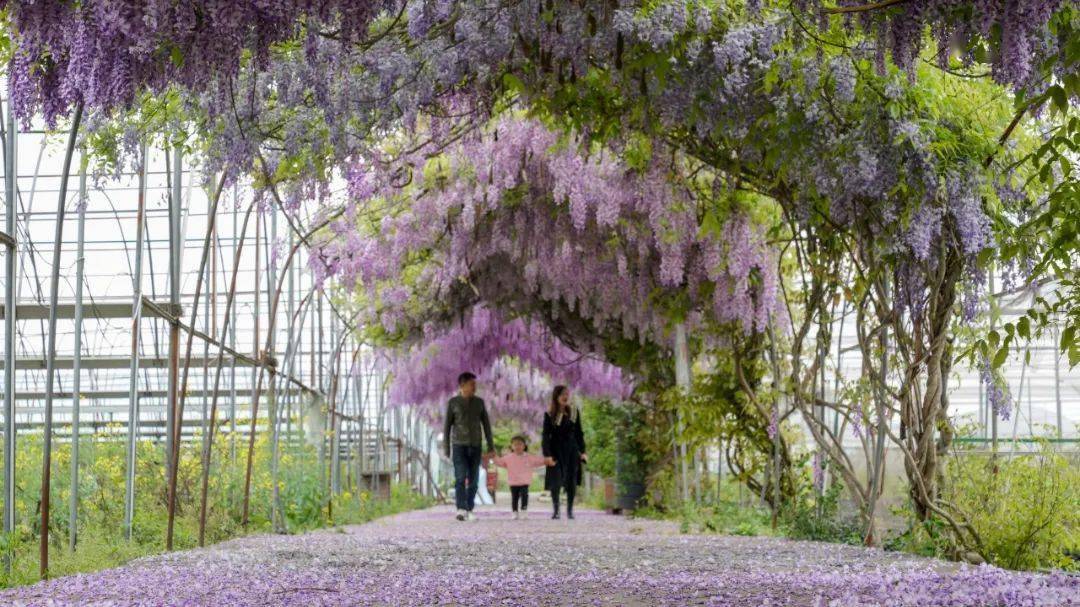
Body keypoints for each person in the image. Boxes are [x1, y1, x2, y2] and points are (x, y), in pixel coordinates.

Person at [444, 372, 495, 521]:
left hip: (475, 445)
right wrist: (447, 448)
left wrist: (491, 446)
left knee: (474, 480)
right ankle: (461, 508)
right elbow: (447, 427)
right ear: (462, 385)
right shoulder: (453, 402)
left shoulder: (479, 402)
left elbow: (486, 425)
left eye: (475, 384)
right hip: (459, 445)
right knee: (460, 477)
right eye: (472, 384)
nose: (474, 387)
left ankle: (469, 508)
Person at [542, 385, 587, 520]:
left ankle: (570, 510)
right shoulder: (549, 414)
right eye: (562, 394)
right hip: (556, 450)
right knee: (556, 481)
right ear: (556, 397)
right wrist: (547, 454)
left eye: (567, 394)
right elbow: (545, 435)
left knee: (571, 480)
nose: (565, 397)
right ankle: (556, 510)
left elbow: (579, 433)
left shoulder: (574, 412)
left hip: (572, 450)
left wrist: (583, 451)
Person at [491, 435, 553, 520]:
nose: (518, 447)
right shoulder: (508, 457)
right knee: (514, 498)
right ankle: (514, 512)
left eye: (520, 444)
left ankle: (524, 510)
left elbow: (538, 461)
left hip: (524, 481)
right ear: (512, 446)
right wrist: (493, 456)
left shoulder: (529, 457)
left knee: (525, 495)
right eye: (515, 445)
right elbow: (499, 462)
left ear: (524, 446)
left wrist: (547, 461)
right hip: (513, 482)